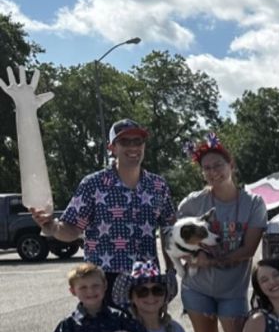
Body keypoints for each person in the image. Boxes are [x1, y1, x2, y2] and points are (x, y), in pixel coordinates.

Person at [32, 119, 176, 304]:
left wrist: (171, 271)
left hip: (147, 281)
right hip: (104, 280)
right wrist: (51, 227)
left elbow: (169, 231)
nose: (133, 147)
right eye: (125, 142)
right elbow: (72, 229)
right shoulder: (93, 184)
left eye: (138, 141)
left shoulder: (158, 185)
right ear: (112, 148)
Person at [178, 134, 267, 332]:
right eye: (206, 168)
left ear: (232, 165)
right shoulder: (192, 204)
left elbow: (248, 250)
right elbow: (177, 243)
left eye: (218, 165)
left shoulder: (253, 203)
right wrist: (193, 257)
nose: (213, 171)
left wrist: (212, 261)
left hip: (233, 289)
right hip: (197, 288)